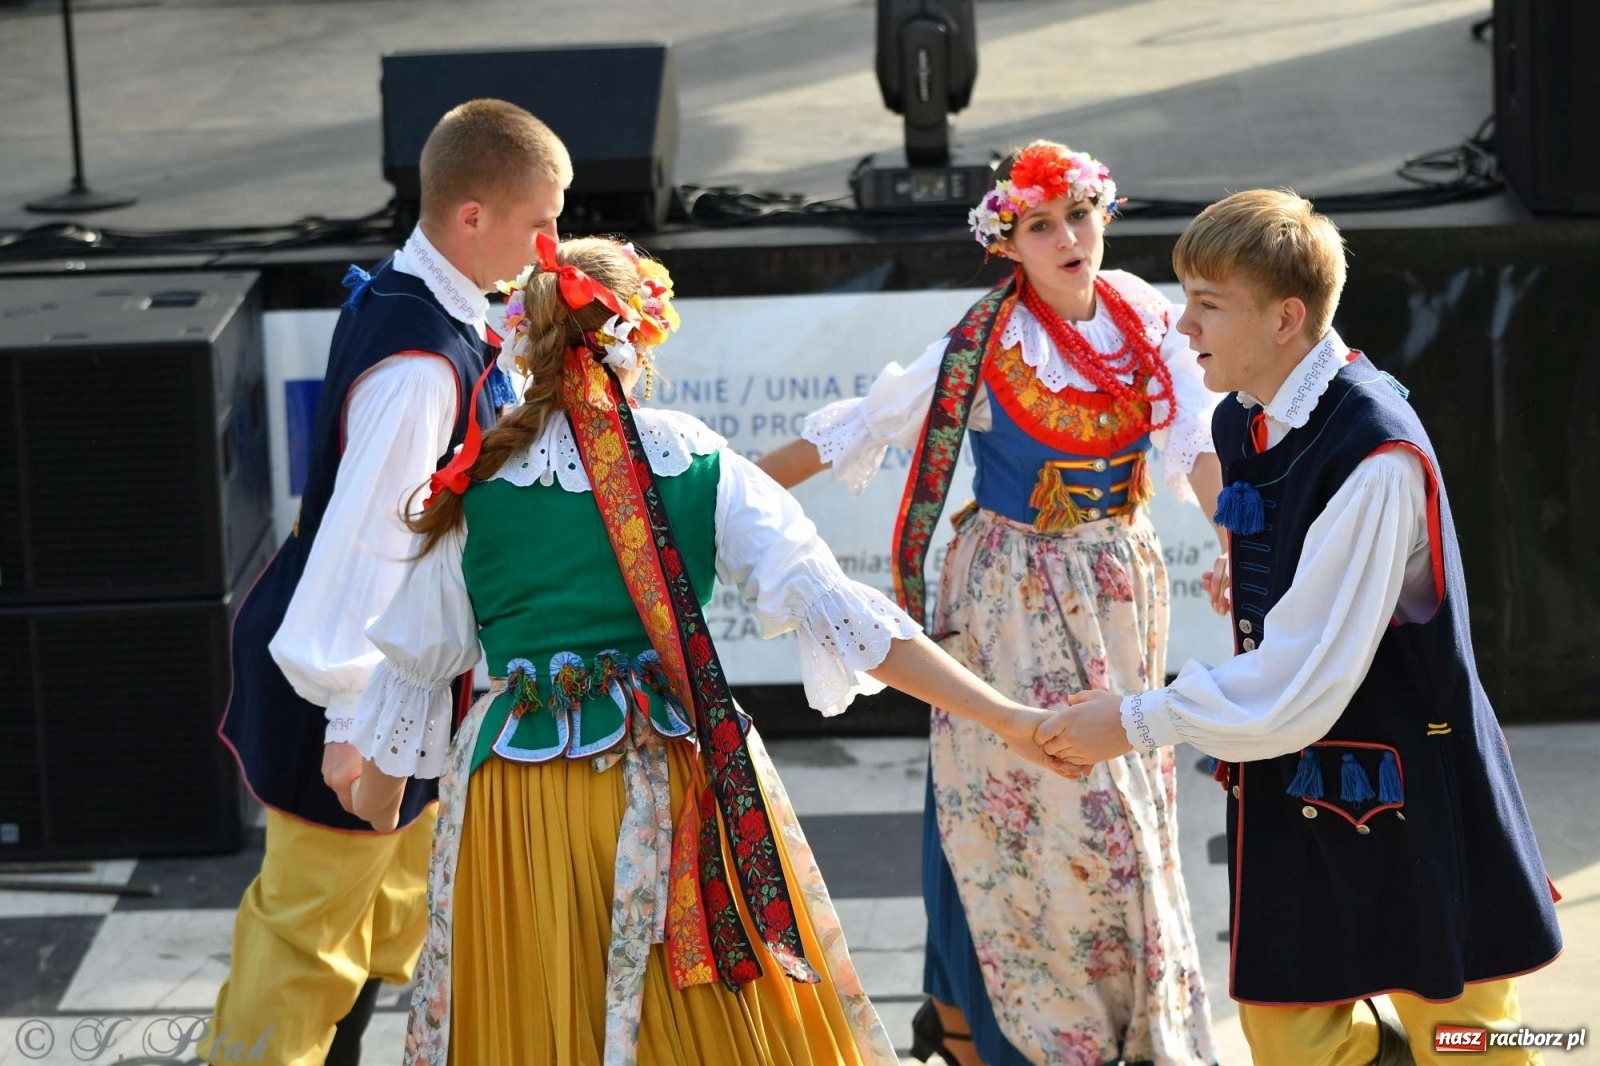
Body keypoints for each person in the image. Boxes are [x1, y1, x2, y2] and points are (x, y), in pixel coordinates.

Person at [345, 234, 1076, 1066]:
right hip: (675, 775)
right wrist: (1007, 715)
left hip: (520, 805)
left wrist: (378, 796)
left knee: (545, 1020)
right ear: (643, 337)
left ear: (527, 337)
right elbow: (845, 618)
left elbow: (408, 688)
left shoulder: (477, 481)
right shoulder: (693, 463)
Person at [1038, 189, 1563, 1066]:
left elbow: (1301, 679)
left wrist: (1131, 721)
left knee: (1469, 1038)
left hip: (1408, 779)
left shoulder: (1374, 453)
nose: (1182, 324)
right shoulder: (1243, 418)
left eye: (1209, 304)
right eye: (1184, 297)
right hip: (1298, 773)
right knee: (1288, 1030)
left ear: (1287, 317)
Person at [758, 141, 1223, 1066]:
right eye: (1040, 226)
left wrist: (1233, 547)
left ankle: (1083, 1021)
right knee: (1027, 800)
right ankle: (1017, 1029)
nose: (1068, 239)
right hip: (1013, 588)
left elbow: (1193, 442)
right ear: (1007, 246)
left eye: (1079, 216)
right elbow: (864, 423)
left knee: (1122, 807)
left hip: (1120, 586)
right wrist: (709, 497)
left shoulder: (1142, 314)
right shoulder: (984, 343)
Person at [209, 99, 569, 1066]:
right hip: (354, 688)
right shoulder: (421, 369)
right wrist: (352, 725)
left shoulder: (422, 303)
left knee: (385, 924)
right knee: (304, 942)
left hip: (397, 689)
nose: (553, 241)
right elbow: (368, 551)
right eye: (542, 220)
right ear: (472, 219)